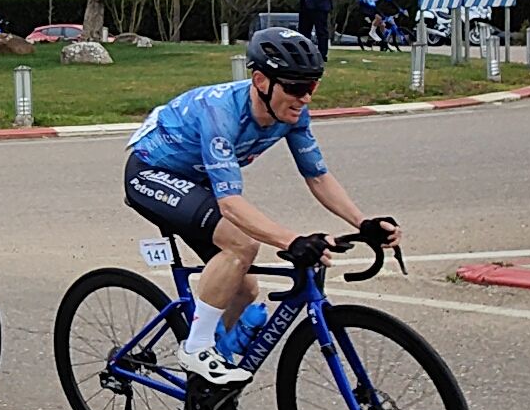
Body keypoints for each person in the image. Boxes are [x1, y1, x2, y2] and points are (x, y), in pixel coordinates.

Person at [123, 27, 401, 384]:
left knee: (246, 288)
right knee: (242, 245)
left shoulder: (292, 116)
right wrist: (291, 240)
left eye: (312, 87)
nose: (306, 98)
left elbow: (318, 177)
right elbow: (231, 204)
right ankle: (195, 349)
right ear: (261, 81)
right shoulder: (221, 112)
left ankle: (210, 374)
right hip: (150, 173)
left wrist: (363, 223)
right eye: (297, 88)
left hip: (197, 181)